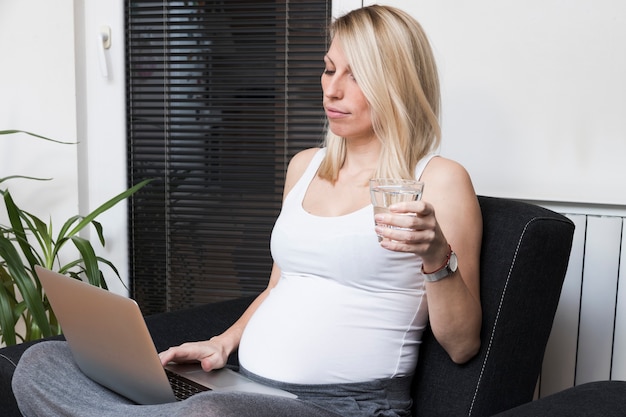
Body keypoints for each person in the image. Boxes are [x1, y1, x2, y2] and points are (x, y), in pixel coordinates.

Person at [12, 5, 482, 417]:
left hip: (344, 405)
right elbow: (280, 286)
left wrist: (437, 256)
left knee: (212, 412)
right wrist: (224, 340)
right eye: (328, 69)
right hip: (245, 392)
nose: (332, 90)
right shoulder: (305, 166)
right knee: (40, 363)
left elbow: (463, 347)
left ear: (396, 82)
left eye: (355, 76)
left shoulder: (439, 180)